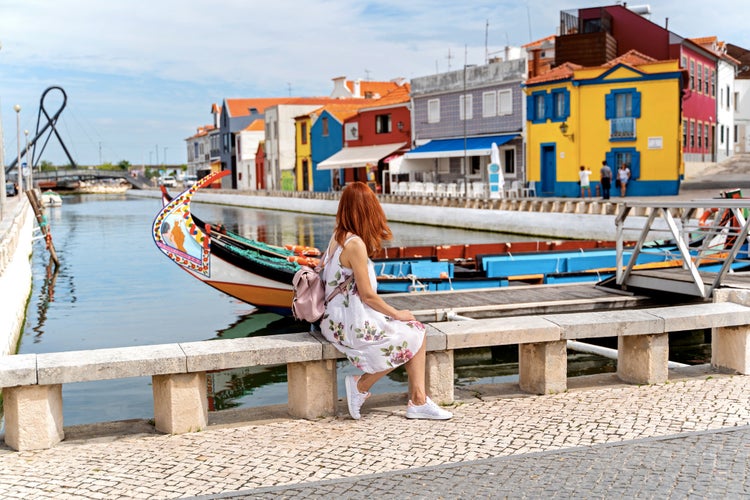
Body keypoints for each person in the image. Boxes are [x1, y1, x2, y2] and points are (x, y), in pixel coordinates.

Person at [320, 181, 453, 421]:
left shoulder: (337, 237)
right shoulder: (356, 245)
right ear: (368, 210)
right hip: (350, 324)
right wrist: (396, 313)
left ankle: (419, 401)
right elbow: (368, 295)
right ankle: (362, 385)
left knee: (416, 332)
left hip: (334, 320)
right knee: (414, 332)